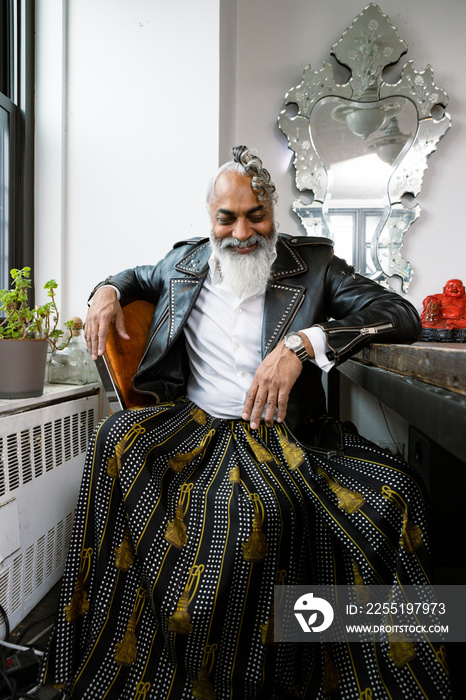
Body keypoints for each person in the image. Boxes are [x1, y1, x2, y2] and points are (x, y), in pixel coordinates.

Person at [41, 147, 450, 699]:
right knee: (117, 439)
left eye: (255, 215)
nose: (241, 232)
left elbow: (400, 315)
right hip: (197, 427)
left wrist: (305, 344)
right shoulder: (182, 262)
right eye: (226, 218)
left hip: (284, 434)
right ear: (210, 217)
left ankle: (323, 664)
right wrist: (105, 291)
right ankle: (150, 651)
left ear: (273, 212)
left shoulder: (315, 264)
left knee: (396, 495)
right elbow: (132, 276)